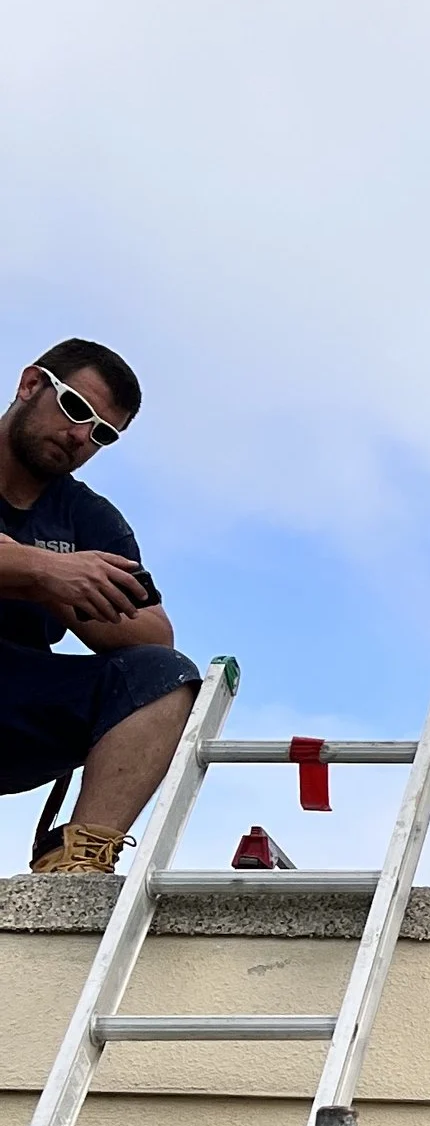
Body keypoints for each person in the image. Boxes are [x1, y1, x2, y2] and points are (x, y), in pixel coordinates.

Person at [0, 342, 199, 873]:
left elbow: (155, 636)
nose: (80, 436)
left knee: (163, 676)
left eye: (101, 434)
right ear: (29, 385)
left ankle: (78, 860)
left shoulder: (88, 519)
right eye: (75, 409)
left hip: (12, 701)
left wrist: (61, 591)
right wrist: (43, 569)